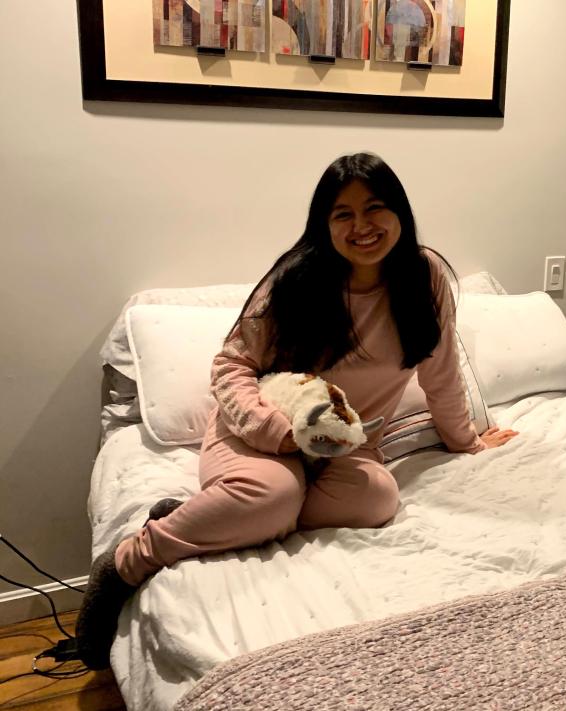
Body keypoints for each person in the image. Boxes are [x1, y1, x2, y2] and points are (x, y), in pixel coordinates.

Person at [76, 152, 519, 669]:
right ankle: (130, 561)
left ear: (399, 212)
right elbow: (230, 367)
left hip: (342, 447)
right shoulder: (298, 280)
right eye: (343, 214)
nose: (362, 226)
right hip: (259, 434)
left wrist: (465, 440)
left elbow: (439, 371)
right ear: (323, 225)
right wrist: (277, 432)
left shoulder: (426, 279)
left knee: (377, 499)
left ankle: (218, 514)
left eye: (374, 208)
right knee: (275, 492)